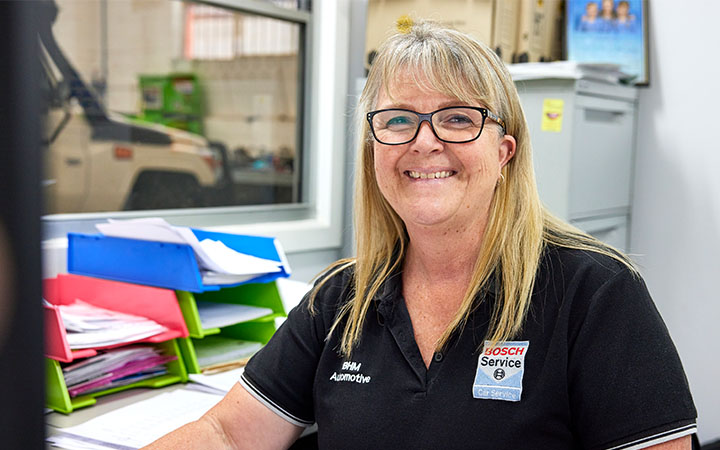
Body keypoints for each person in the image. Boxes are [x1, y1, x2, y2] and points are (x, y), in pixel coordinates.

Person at [145, 21, 697, 450]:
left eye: (458, 119)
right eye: (398, 119)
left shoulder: (594, 292)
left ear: (504, 152)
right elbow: (229, 434)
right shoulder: (341, 298)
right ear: (375, 150)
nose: (424, 142)